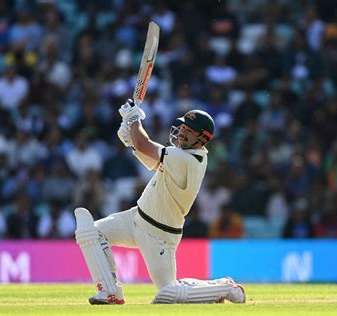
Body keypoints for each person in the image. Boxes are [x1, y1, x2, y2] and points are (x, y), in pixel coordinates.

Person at [74, 99, 246, 304]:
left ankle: (224, 287)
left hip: (158, 235)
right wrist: (131, 139)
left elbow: (144, 144)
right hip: (135, 218)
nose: (182, 132)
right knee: (91, 232)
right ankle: (110, 293)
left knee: (168, 293)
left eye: (189, 130)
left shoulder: (188, 160)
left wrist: (134, 120)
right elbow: (151, 159)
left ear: (202, 138)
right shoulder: (180, 154)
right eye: (182, 126)